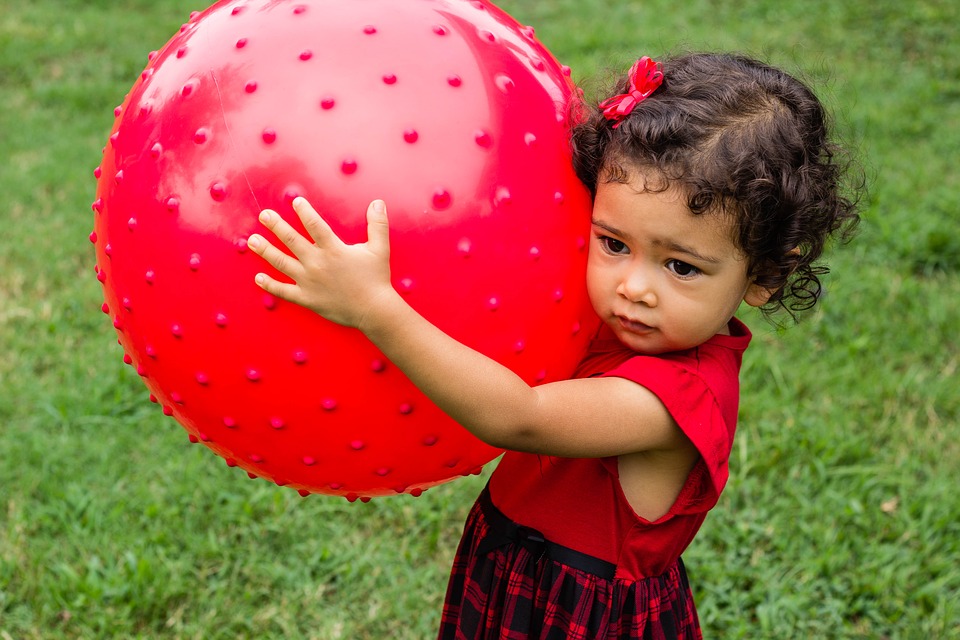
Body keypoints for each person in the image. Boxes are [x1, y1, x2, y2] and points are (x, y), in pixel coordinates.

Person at [246, 52, 861, 639]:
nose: (634, 288)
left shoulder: (676, 398)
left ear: (763, 277)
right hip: (518, 566)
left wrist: (377, 309)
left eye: (681, 267)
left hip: (577, 613)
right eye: (614, 243)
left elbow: (520, 417)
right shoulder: (614, 321)